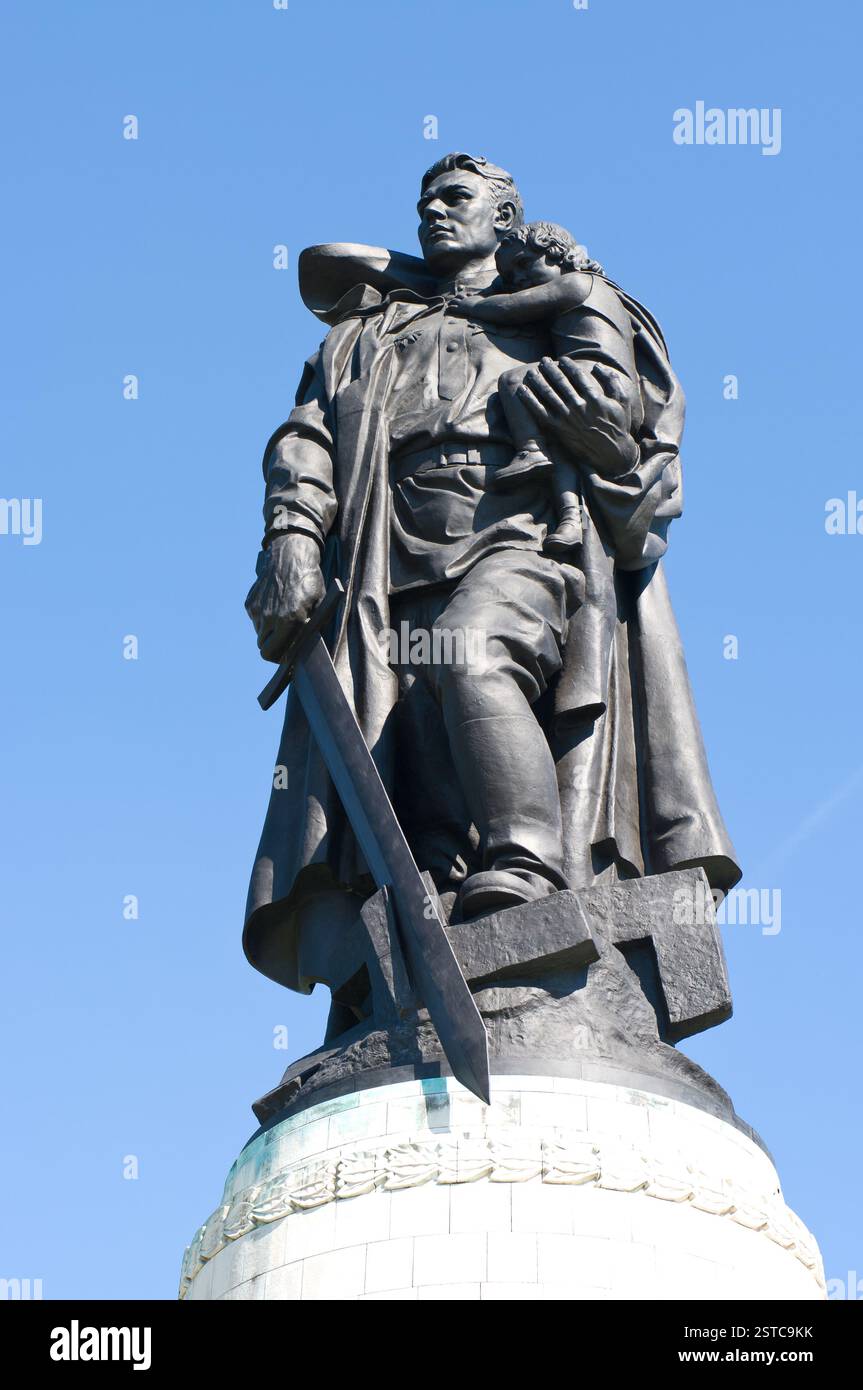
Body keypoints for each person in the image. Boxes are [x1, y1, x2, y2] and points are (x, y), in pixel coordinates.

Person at [243, 153, 740, 1001]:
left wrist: (603, 440)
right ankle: (439, 918)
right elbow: (309, 437)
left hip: (519, 529)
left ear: (503, 217)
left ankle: (525, 864)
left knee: (471, 655)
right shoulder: (363, 334)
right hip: (380, 552)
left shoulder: (562, 300)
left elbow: (634, 435)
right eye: (423, 201)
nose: (432, 211)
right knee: (410, 742)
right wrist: (292, 532)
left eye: (455, 197)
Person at [449, 220, 643, 555]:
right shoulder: (599, 289)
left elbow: (514, 308)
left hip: (593, 378)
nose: (519, 280)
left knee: (514, 380)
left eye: (525, 264)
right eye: (511, 276)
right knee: (562, 444)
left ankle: (530, 449)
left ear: (557, 254)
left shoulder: (579, 284)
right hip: (610, 388)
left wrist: (473, 306)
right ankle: (570, 521)